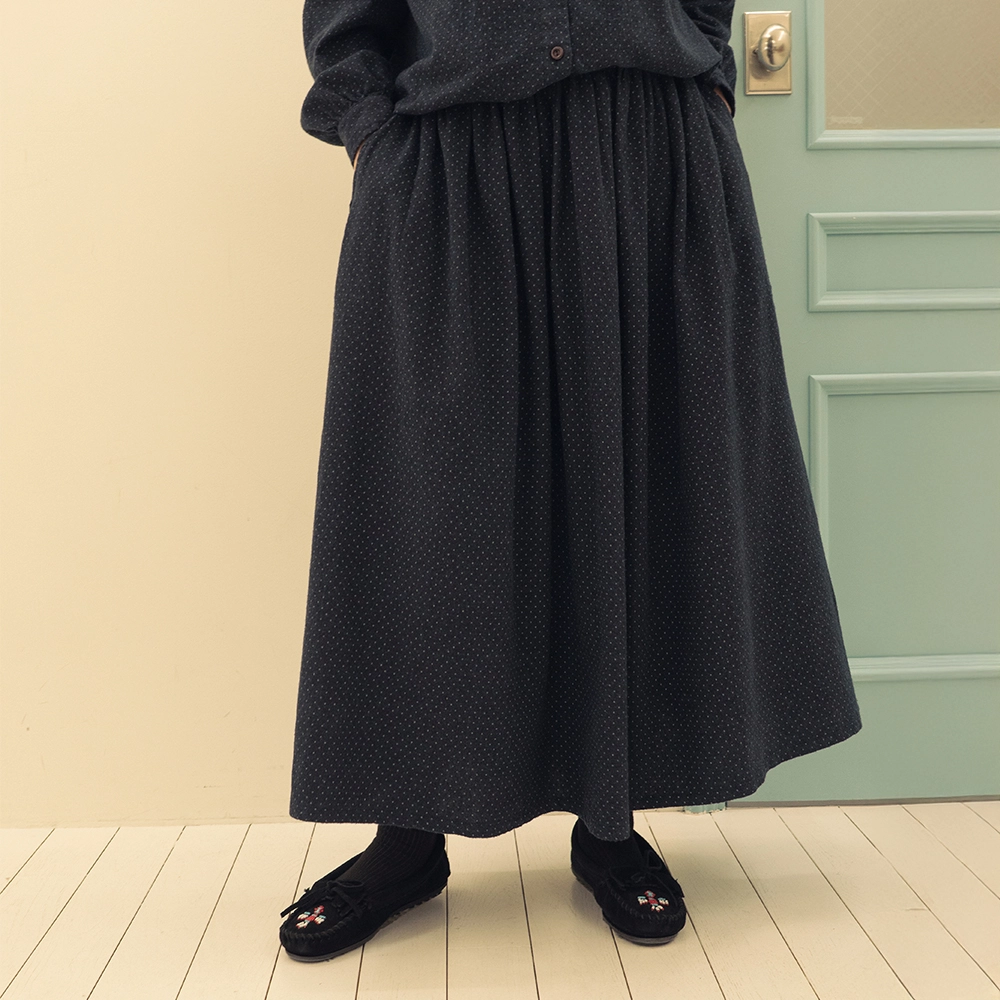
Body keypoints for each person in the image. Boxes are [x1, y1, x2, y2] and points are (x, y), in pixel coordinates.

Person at [279, 0, 864, 962]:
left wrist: (710, 87)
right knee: (430, 505)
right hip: (453, 168)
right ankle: (406, 838)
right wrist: (372, 139)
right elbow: (346, 25)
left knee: (639, 492)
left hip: (652, 160)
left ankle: (609, 825)